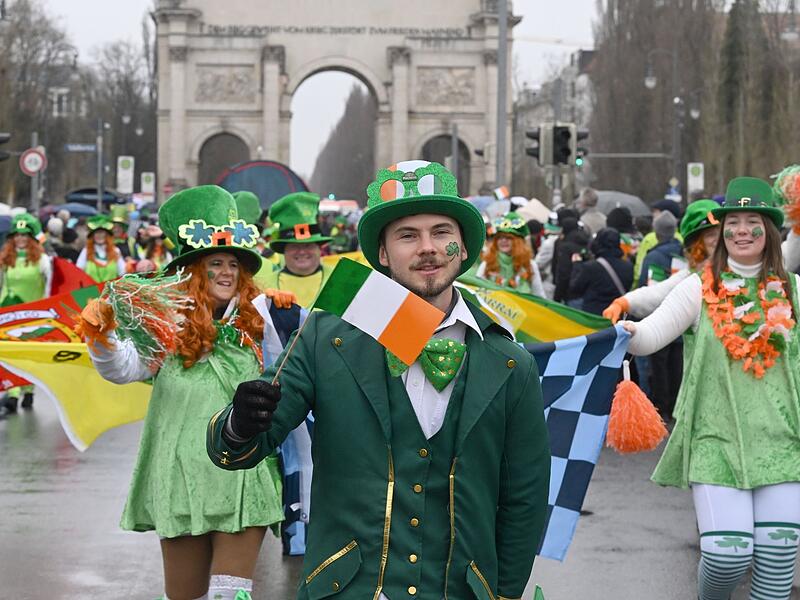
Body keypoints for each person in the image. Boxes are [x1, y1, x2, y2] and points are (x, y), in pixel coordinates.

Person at [207, 160, 551, 600]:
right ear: (383, 254)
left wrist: (503, 593)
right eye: (408, 235)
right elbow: (239, 450)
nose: (427, 247)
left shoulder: (509, 361)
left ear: (462, 248)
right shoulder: (324, 336)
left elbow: (524, 499)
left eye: (441, 232)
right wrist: (241, 423)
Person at [77, 186, 293, 600]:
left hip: (241, 476)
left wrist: (290, 319)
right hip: (179, 479)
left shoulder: (262, 318)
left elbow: (295, 379)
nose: (228, 272)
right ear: (195, 269)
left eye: (234, 263)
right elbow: (122, 369)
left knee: (229, 596)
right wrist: (99, 332)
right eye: (216, 263)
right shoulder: (165, 324)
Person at [620, 177, 800, 600]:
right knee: (726, 555)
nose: (741, 230)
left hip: (783, 443)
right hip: (716, 441)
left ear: (769, 231)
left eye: (751, 221)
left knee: (778, 555)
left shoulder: (793, 292)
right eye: (732, 222)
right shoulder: (697, 288)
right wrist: (625, 332)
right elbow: (649, 338)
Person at [0, 213, 52, 413]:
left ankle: (28, 390)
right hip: (7, 312)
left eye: (24, 235)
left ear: (31, 238)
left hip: (32, 314)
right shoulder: (5, 259)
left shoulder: (42, 261)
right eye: (17, 235)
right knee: (8, 354)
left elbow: (50, 287)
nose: (20, 238)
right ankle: (12, 394)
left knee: (28, 356)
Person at [258, 192, 334, 308]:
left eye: (308, 245)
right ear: (283, 250)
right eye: (294, 246)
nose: (302, 251)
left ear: (319, 247)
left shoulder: (339, 280)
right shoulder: (261, 286)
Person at [476, 211, 546, 296]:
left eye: (508, 238)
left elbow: (539, 295)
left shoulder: (529, 265)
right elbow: (477, 290)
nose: (503, 241)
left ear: (519, 242)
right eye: (500, 237)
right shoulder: (488, 263)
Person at [569, 227, 633, 315]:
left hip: (594, 317)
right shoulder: (628, 266)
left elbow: (575, 288)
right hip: (617, 316)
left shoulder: (590, 267)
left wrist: (576, 265)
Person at [76, 215, 127, 282]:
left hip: (109, 290)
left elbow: (122, 273)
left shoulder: (115, 251)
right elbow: (78, 271)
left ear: (107, 235)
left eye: (102, 232)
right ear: (92, 236)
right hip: (91, 291)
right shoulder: (86, 251)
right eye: (96, 233)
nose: (99, 235)